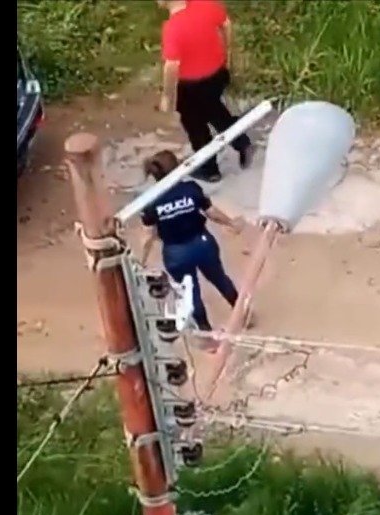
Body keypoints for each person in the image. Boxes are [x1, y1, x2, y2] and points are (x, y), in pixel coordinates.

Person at [137, 151, 245, 338]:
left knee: (189, 291)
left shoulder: (151, 201)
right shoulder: (191, 189)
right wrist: (231, 223)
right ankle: (242, 315)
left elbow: (149, 235)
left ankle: (205, 330)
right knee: (220, 278)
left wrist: (141, 261)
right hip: (202, 243)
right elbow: (211, 212)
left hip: (175, 252)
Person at [157, 0, 253, 183]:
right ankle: (241, 142)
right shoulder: (206, 3)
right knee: (216, 111)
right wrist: (227, 55)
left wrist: (167, 97)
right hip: (217, 74)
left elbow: (171, 66)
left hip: (191, 86)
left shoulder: (173, 28)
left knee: (196, 127)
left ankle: (209, 169)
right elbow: (226, 24)